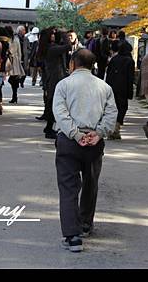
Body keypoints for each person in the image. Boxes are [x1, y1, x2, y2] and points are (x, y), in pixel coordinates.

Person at [52, 48, 118, 252]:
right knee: (91, 183)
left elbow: (60, 113)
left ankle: (72, 236)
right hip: (94, 142)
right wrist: (98, 133)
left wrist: (76, 134)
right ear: (92, 65)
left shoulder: (64, 85)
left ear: (73, 63)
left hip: (69, 141)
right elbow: (111, 113)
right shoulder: (104, 87)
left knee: (68, 187)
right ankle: (86, 224)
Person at [37, 28, 72, 139]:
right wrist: (64, 34)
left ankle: (49, 127)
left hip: (53, 77)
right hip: (55, 78)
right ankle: (49, 128)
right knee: (53, 103)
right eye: (51, 34)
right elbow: (68, 46)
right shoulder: (51, 49)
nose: (53, 36)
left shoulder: (49, 47)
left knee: (52, 103)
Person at [105, 40, 135, 139]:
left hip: (112, 87)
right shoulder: (129, 61)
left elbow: (109, 74)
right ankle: (116, 129)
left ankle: (112, 130)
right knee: (122, 108)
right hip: (123, 88)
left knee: (112, 108)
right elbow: (130, 78)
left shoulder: (114, 59)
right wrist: (130, 93)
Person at [4, 25, 26, 104]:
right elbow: (19, 51)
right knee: (14, 78)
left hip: (10, 59)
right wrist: (19, 60)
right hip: (15, 59)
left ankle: (15, 96)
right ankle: (15, 96)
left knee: (12, 78)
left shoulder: (7, 40)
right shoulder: (16, 39)